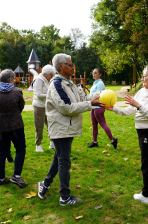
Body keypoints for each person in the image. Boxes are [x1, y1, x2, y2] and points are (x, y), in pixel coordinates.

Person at [38, 53, 103, 206]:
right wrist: (90, 105)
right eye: (69, 64)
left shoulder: (70, 83)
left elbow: (84, 97)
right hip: (61, 127)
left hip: (67, 127)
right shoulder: (56, 84)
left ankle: (45, 184)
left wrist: (101, 95)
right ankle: (64, 197)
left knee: (59, 158)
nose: (73, 67)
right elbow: (66, 108)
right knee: (64, 161)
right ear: (60, 66)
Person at [105, 66, 148, 204]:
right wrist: (115, 109)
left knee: (146, 162)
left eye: (144, 76)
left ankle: (146, 194)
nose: (142, 79)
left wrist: (138, 106)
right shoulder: (142, 91)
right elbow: (131, 110)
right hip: (141, 130)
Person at [0, 69, 28, 188]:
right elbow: (21, 107)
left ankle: (1, 178)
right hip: (16, 125)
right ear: (10, 79)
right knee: (20, 149)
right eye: (14, 78)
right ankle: (16, 176)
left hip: (1, 126)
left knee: (1, 152)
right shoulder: (17, 91)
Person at [88, 68, 117, 149]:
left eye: (95, 73)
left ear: (100, 74)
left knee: (103, 124)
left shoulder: (100, 83)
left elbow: (101, 96)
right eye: (93, 73)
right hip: (93, 106)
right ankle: (95, 142)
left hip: (98, 107)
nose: (93, 74)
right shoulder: (95, 82)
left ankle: (113, 140)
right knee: (94, 125)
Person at [33, 64, 56, 152]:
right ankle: (38, 145)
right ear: (46, 74)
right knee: (39, 126)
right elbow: (38, 95)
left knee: (50, 124)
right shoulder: (39, 79)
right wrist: (50, 95)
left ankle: (52, 142)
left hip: (46, 105)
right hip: (38, 106)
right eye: (51, 75)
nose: (52, 77)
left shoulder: (46, 79)